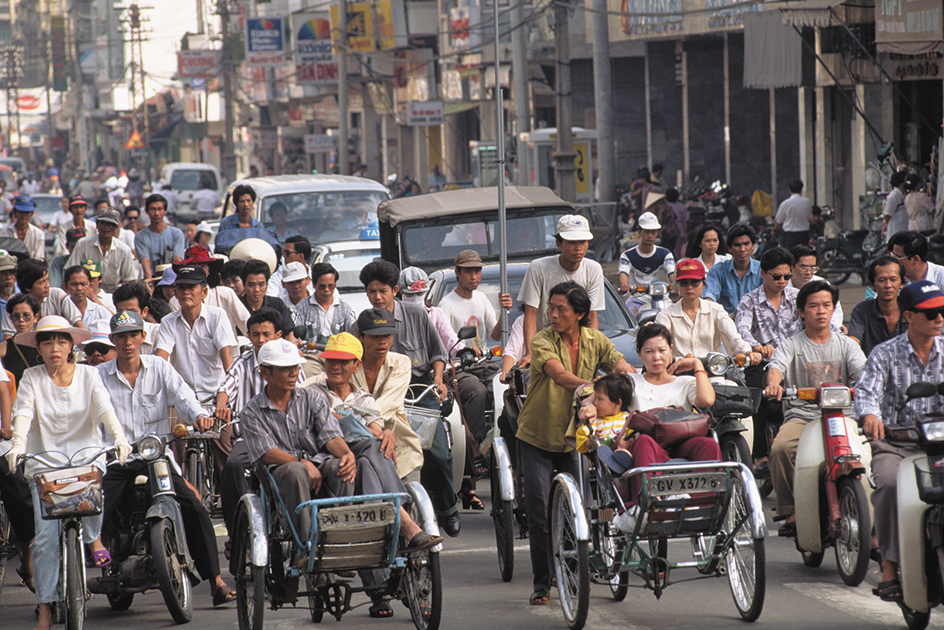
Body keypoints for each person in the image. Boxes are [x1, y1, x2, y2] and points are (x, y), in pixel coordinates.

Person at [238, 337, 441, 561]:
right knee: (296, 471)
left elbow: (330, 435)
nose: (294, 373)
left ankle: (342, 537)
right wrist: (300, 461)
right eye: (285, 369)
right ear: (266, 373)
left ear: (356, 366)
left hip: (320, 463)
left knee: (343, 466)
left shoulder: (312, 398)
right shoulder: (252, 412)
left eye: (295, 367)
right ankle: (309, 546)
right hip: (283, 472)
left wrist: (346, 454)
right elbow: (266, 452)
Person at [94, 309, 239, 606]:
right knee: (95, 508)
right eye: (121, 337)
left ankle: (216, 581)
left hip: (157, 457)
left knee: (194, 507)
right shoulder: (98, 377)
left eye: (133, 335)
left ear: (143, 337)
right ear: (113, 341)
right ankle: (83, 570)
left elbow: (183, 396)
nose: (128, 342)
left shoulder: (159, 367)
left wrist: (199, 416)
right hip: (116, 460)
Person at [4, 315, 131, 630]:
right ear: (39, 348)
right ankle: (45, 606)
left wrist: (118, 437)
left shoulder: (88, 375)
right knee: (45, 540)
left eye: (61, 341)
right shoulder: (32, 377)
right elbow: (23, 412)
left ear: (71, 345)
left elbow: (104, 408)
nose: (54, 347)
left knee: (95, 483)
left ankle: (94, 539)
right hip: (46, 465)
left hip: (85, 459)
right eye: (47, 342)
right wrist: (17, 443)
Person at [517, 282, 633, 605]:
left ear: (580, 314)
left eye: (561, 309)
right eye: (550, 308)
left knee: (579, 508)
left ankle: (573, 573)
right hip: (538, 435)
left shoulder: (596, 340)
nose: (552, 315)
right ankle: (542, 584)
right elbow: (558, 375)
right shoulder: (542, 340)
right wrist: (592, 386)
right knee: (540, 511)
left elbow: (619, 364)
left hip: (575, 439)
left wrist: (635, 377)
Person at [356, 260, 460, 536]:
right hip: (381, 395)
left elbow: (439, 353)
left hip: (419, 389)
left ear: (395, 290)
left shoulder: (417, 314)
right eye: (371, 292)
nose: (377, 297)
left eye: (382, 291)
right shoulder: (363, 322)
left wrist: (438, 380)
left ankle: (448, 507)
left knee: (438, 451)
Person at [856, 280, 944, 604]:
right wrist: (869, 417)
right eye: (931, 312)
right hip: (897, 442)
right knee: (890, 485)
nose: (939, 318)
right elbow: (866, 392)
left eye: (943, 311)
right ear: (908, 315)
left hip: (940, 443)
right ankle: (890, 566)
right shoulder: (884, 354)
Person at [765, 281, 866, 533]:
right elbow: (776, 367)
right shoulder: (791, 344)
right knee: (779, 449)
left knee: (871, 452)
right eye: (813, 306)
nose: (821, 311)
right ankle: (790, 510)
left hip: (843, 418)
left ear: (833, 309)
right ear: (801, 311)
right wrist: (774, 385)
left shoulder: (847, 345)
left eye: (826, 305)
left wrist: (868, 385)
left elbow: (864, 372)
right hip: (802, 418)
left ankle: (868, 517)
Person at [614, 323, 719, 518]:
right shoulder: (631, 382)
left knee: (708, 444)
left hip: (683, 441)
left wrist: (698, 366)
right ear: (639, 353)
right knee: (644, 441)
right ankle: (644, 503)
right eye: (649, 352)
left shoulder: (684, 382)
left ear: (671, 350)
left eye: (662, 350)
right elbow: (607, 400)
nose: (656, 357)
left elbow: (706, 400)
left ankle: (705, 504)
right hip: (650, 444)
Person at [216, 308, 305, 537]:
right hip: (252, 439)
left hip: (290, 437)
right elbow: (225, 389)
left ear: (279, 335)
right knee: (233, 466)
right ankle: (238, 530)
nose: (260, 340)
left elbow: (305, 395)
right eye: (255, 335)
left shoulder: (294, 364)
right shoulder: (242, 364)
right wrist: (221, 406)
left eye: (266, 334)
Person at [518, 214, 606, 365]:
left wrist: (590, 351)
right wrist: (531, 353)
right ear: (559, 244)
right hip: (546, 346)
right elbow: (530, 314)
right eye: (571, 242)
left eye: (582, 242)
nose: (578, 248)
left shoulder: (593, 269)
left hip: (578, 347)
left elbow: (592, 316)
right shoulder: (538, 268)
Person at [354, 308, 425, 482]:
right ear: (360, 336)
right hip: (355, 446)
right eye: (375, 336)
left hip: (400, 447)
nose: (383, 342)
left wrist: (356, 421)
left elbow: (388, 403)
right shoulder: (347, 364)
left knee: (411, 497)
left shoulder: (401, 362)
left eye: (387, 335)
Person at [655, 258, 758, 360]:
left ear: (704, 284)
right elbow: (658, 343)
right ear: (678, 285)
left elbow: (733, 336)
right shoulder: (666, 315)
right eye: (684, 283)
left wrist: (747, 352)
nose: (689, 287)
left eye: (695, 282)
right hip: (679, 373)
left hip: (713, 371)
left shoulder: (716, 310)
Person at [734, 247, 801, 360]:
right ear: (762, 274)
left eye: (787, 277)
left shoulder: (797, 297)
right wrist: (758, 347)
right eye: (776, 277)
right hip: (764, 362)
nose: (782, 281)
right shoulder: (749, 301)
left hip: (796, 360)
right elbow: (742, 329)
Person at [171, 245, 251, 337]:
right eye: (193, 267)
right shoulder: (176, 301)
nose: (198, 271)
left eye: (202, 266)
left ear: (209, 270)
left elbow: (246, 324)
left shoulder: (225, 294)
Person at [1, 258, 86, 338]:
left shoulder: (57, 295)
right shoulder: (15, 302)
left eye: (47, 280)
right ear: (28, 287)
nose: (47, 285)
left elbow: (78, 323)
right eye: (41, 282)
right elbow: (8, 335)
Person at [66, 206, 138, 293]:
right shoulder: (83, 244)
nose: (106, 227)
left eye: (110, 224)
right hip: (85, 293)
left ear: (116, 227)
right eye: (103, 223)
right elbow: (71, 272)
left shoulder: (123, 250)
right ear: (97, 225)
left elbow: (130, 279)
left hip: (113, 295)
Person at [848, 256, 907, 357]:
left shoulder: (911, 309)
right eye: (882, 280)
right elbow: (852, 344)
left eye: (893, 279)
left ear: (902, 283)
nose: (888, 285)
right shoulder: (862, 310)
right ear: (871, 284)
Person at [703, 224, 763, 314]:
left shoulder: (763, 270)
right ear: (729, 249)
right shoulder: (717, 271)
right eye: (737, 245)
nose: (742, 249)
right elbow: (709, 297)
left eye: (746, 244)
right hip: (726, 322)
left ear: (753, 246)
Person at [293, 262, 357, 344]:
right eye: (322, 286)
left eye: (331, 285)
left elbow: (354, 336)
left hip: (338, 354)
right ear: (314, 285)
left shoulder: (345, 309)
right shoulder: (302, 308)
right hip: (310, 355)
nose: (326, 289)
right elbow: (294, 337)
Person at [788, 244, 843, 331]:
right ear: (791, 266)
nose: (808, 272)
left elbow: (835, 314)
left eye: (813, 268)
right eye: (804, 267)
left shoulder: (822, 284)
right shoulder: (781, 286)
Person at [618, 210, 676, 292]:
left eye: (653, 232)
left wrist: (674, 283)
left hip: (662, 297)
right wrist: (624, 284)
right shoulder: (627, 255)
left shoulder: (665, 254)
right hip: (636, 297)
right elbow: (623, 273)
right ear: (639, 232)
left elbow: (672, 273)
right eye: (647, 232)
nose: (650, 236)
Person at [239, 258, 296, 339]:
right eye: (251, 285)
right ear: (244, 284)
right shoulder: (236, 305)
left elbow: (289, 333)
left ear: (267, 285)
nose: (257, 290)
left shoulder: (277, 304)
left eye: (261, 284)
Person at [135, 193, 185, 283]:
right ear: (146, 211)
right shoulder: (140, 236)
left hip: (172, 281)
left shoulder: (176, 234)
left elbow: (177, 260)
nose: (156, 213)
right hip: (153, 280)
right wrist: (150, 284)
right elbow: (145, 263)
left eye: (159, 209)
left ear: (165, 211)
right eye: (153, 209)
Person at [0, 293, 41, 382]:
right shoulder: (4, 347)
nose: (21, 320)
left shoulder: (44, 344)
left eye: (26, 315)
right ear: (11, 319)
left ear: (35, 317)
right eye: (16, 316)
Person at [113, 281, 161, 355]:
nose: (127, 317)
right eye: (121, 312)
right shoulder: (111, 333)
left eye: (132, 312)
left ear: (144, 312)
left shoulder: (158, 333)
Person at [774, 179, 813, 249]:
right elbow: (810, 216)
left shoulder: (785, 203)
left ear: (789, 190)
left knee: (790, 256)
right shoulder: (807, 202)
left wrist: (774, 230)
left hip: (790, 235)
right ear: (801, 190)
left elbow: (779, 220)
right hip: (804, 234)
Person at [881, 171, 908, 242]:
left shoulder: (904, 195)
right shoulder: (893, 196)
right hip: (895, 232)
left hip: (904, 231)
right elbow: (887, 215)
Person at [664, 187, 689, 259]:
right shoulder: (681, 207)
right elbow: (685, 222)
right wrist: (685, 234)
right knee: (677, 250)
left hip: (668, 230)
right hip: (679, 229)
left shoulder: (665, 206)